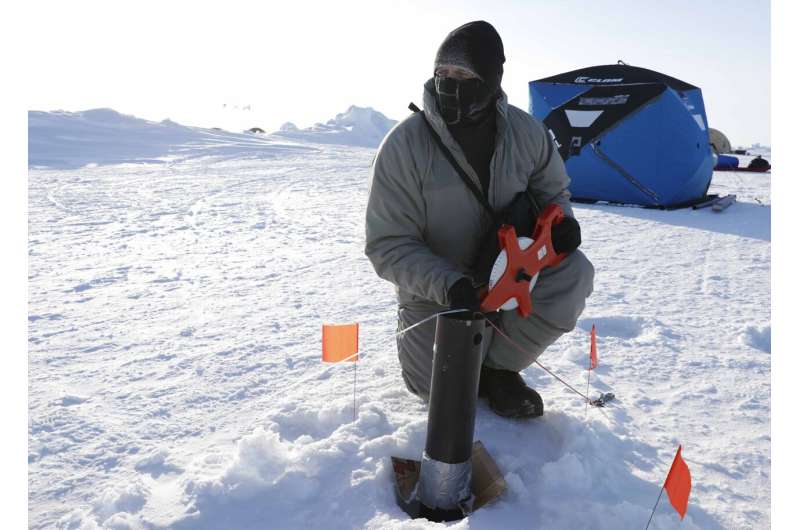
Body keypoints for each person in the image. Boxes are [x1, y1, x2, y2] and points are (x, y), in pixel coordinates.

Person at [364, 21, 594, 418]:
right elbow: (388, 244)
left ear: (490, 79)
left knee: (574, 273)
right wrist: (448, 283)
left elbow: (553, 192)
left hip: (512, 271)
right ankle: (472, 356)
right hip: (438, 291)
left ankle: (498, 369)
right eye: (443, 73)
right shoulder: (404, 144)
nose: (451, 83)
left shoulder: (527, 133)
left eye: (465, 74)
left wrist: (562, 224)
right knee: (436, 389)